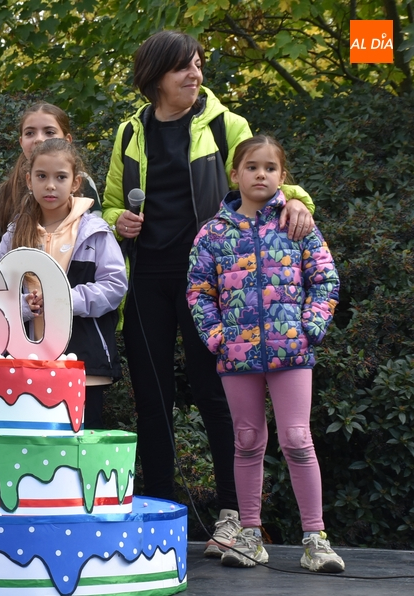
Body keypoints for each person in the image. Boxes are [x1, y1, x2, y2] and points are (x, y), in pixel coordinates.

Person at [101, 29, 317, 557]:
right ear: (155, 75)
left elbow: (265, 179)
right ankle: (156, 510)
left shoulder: (226, 124)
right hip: (146, 277)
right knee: (153, 403)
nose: (195, 74)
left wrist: (298, 200)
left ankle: (231, 519)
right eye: (183, 67)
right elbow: (106, 205)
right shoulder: (130, 130)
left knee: (216, 394)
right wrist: (116, 219)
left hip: (213, 284)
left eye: (198, 65)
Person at [187, 135, 344, 572]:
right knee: (248, 440)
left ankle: (316, 539)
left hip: (291, 352)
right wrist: (217, 336)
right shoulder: (214, 233)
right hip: (237, 356)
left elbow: (326, 280)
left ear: (281, 176)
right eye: (251, 167)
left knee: (297, 439)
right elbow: (199, 290)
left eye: (270, 168)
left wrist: (309, 327)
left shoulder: (297, 225)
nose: (261, 174)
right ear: (234, 175)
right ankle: (251, 535)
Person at [0, 138, 127, 428]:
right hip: (24, 363)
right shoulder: (15, 233)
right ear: (29, 180)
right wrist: (24, 306)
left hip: (83, 364)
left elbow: (114, 285)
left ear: (76, 182)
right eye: (42, 176)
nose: (50, 185)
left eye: (61, 177)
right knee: (32, 449)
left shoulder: (94, 232)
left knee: (80, 448)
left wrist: (63, 299)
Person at [0, 102, 100, 256]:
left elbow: (95, 243)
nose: (39, 139)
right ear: (21, 142)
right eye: (30, 133)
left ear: (67, 140)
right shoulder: (7, 191)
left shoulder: (83, 183)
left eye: (49, 132)